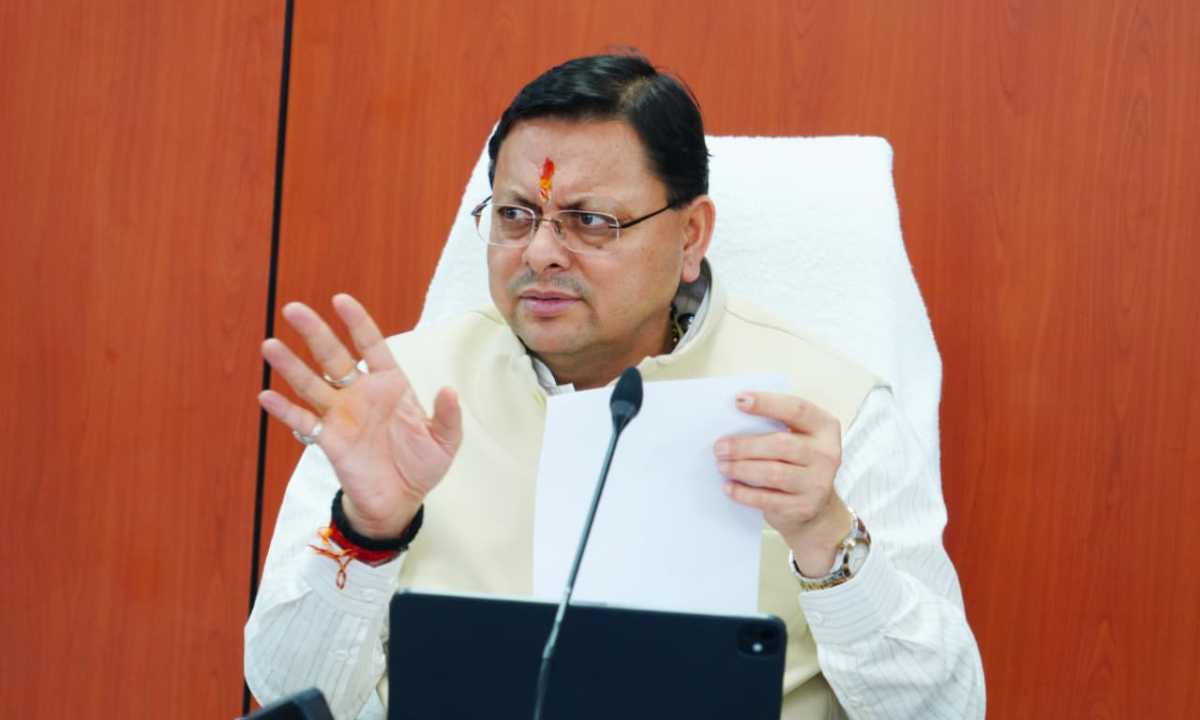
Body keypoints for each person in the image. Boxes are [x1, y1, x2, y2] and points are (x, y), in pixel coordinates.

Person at [245, 53, 985, 719]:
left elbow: (945, 711)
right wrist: (366, 533)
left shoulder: (830, 411)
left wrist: (826, 538)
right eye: (516, 215)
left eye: (590, 221)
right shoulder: (400, 398)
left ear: (690, 236)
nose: (540, 252)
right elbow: (286, 694)